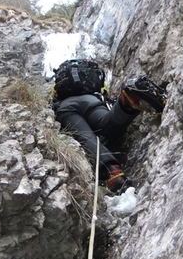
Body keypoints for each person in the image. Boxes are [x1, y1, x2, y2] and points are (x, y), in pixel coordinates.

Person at [52, 63, 167, 194]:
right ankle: (127, 99)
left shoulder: (60, 89)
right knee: (107, 124)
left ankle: (113, 172)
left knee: (86, 137)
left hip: (66, 108)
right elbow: (104, 92)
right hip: (92, 101)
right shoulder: (91, 87)